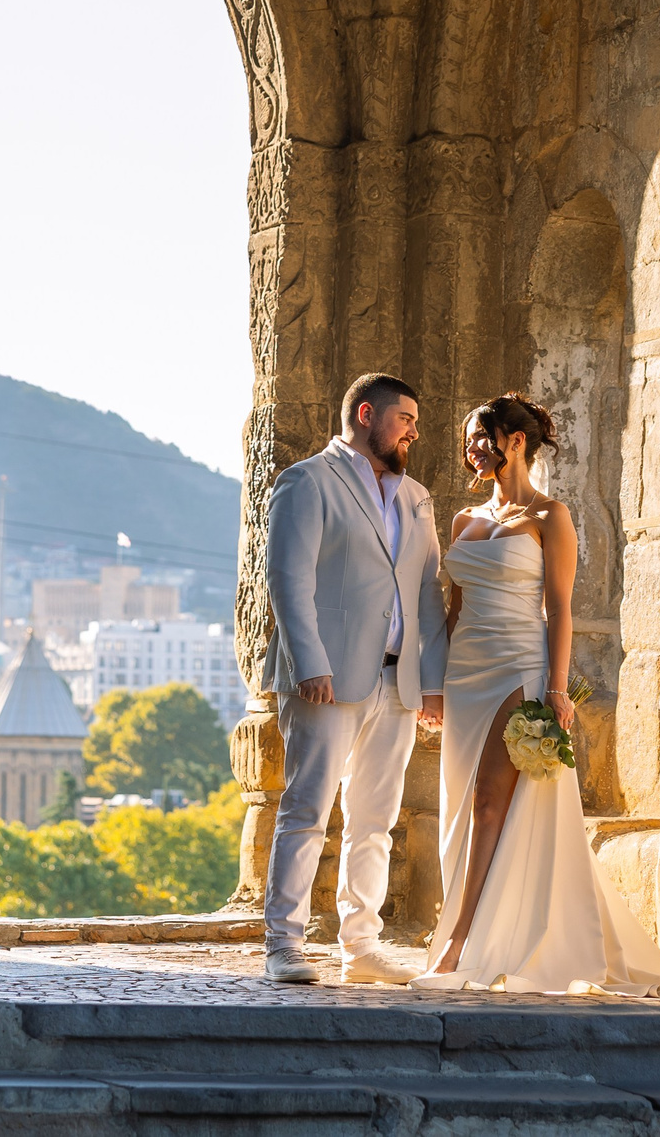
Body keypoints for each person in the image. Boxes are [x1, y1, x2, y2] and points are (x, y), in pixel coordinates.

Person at [410, 393, 660, 1000]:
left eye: (480, 437)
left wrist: (555, 689)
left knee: (490, 804)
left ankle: (459, 941)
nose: (471, 449)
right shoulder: (464, 522)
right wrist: (434, 686)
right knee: (463, 808)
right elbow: (454, 609)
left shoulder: (551, 516)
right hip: (466, 675)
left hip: (518, 669)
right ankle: (477, 930)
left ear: (515, 441)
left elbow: (561, 609)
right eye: (467, 440)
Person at [258, 372, 448, 984]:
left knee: (376, 821)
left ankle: (361, 946)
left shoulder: (417, 496)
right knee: (307, 809)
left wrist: (432, 682)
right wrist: (310, 662)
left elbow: (426, 592)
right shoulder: (308, 480)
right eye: (405, 419)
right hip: (328, 678)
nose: (413, 432)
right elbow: (288, 577)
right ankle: (283, 945)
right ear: (367, 414)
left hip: (398, 683)